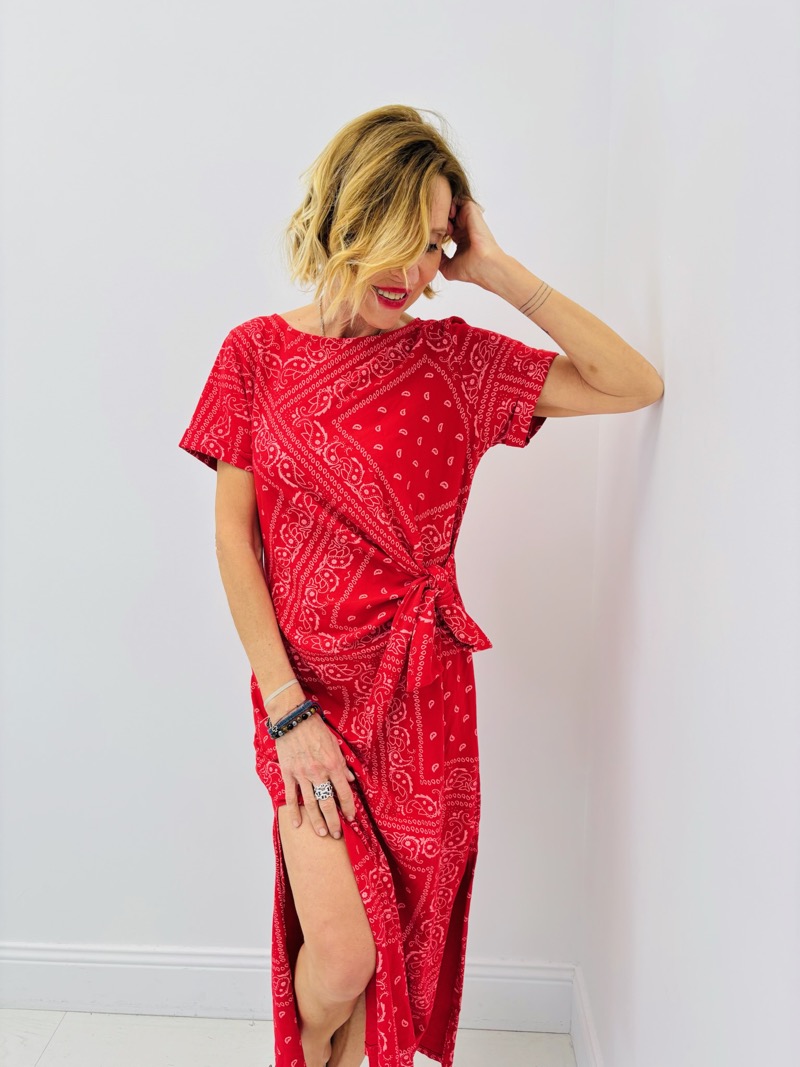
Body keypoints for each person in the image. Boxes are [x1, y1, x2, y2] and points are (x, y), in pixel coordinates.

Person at [179, 104, 664, 1067]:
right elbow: (235, 536)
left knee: (394, 953)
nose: (414, 267)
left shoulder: (456, 361)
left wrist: (498, 270)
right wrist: (285, 707)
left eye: (434, 241)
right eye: (399, 232)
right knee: (341, 958)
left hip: (422, 697)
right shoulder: (253, 354)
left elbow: (631, 382)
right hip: (303, 694)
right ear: (345, 213)